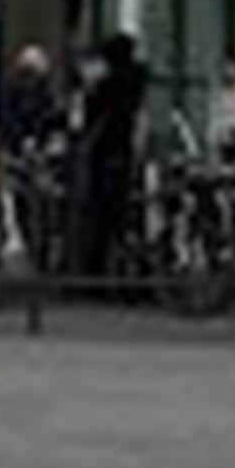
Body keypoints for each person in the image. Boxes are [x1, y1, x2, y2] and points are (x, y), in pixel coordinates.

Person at [74, 33, 149, 282]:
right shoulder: (134, 81)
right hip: (124, 153)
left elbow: (89, 111)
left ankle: (96, 270)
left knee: (99, 215)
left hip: (104, 154)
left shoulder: (108, 84)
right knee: (123, 215)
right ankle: (124, 268)